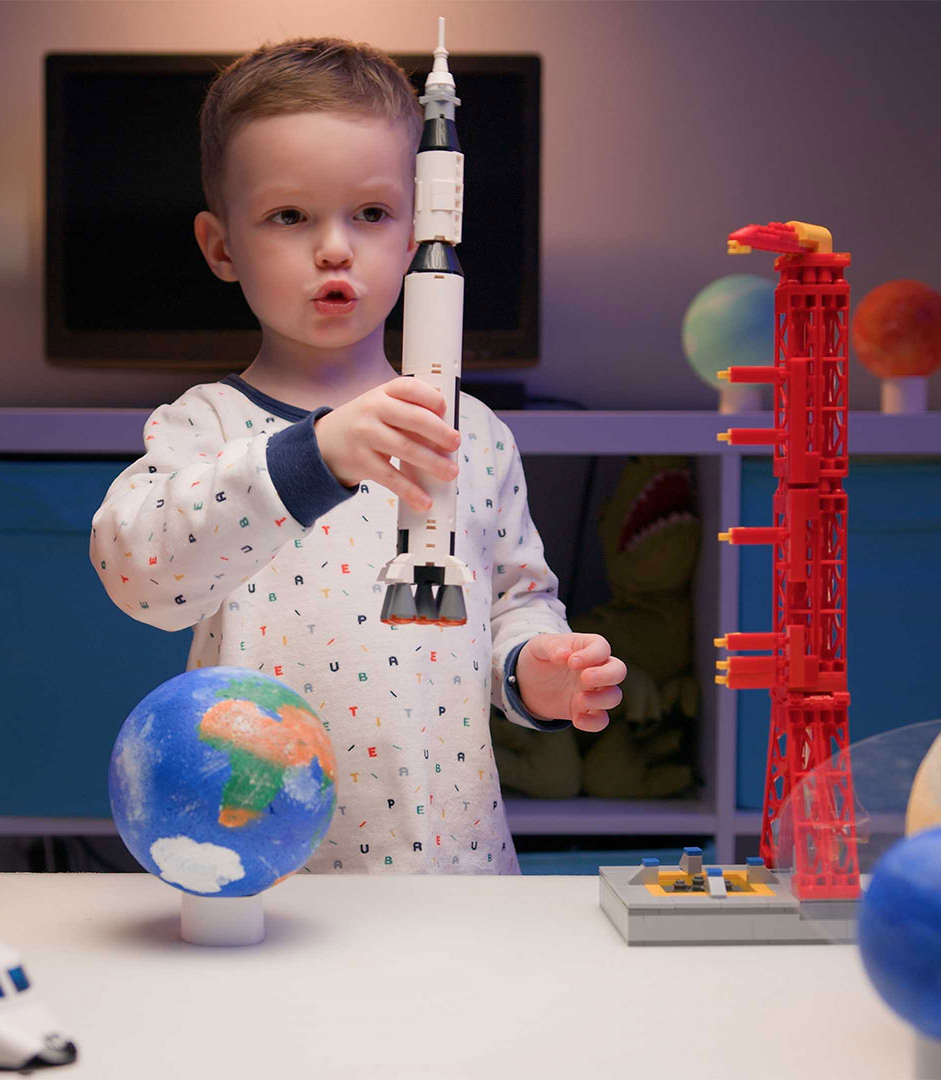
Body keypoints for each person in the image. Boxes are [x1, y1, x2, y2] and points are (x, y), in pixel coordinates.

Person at [90, 36, 625, 873]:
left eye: (370, 214)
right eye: (289, 216)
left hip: (451, 871)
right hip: (263, 868)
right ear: (222, 246)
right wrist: (315, 456)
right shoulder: (209, 429)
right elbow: (138, 572)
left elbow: (513, 598)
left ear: (418, 226)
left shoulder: (474, 433)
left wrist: (537, 669)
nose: (335, 247)